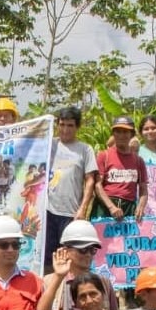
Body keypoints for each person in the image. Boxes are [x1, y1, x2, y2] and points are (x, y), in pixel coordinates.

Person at [44, 106, 98, 258]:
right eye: (62, 124)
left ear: (77, 127)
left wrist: (83, 208)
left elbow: (90, 180)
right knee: (47, 257)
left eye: (70, 125)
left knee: (69, 255)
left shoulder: (85, 150)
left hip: (71, 213)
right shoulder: (48, 145)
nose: (65, 129)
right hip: (47, 211)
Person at [95, 116, 148, 221]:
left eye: (125, 132)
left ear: (131, 135)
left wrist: (141, 206)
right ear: (113, 134)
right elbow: (97, 185)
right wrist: (111, 207)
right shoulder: (104, 156)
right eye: (118, 132)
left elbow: (143, 189)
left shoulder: (138, 161)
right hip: (105, 206)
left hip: (129, 207)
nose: (121, 135)